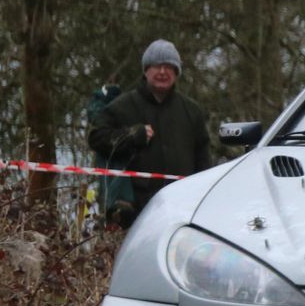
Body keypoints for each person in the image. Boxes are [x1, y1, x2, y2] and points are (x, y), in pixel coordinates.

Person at [87, 40, 213, 228]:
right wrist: (131, 135)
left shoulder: (192, 111)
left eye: (168, 67)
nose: (162, 72)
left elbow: (203, 161)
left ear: (177, 72)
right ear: (146, 71)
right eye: (156, 66)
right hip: (133, 212)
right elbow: (96, 138)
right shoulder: (122, 106)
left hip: (182, 210)